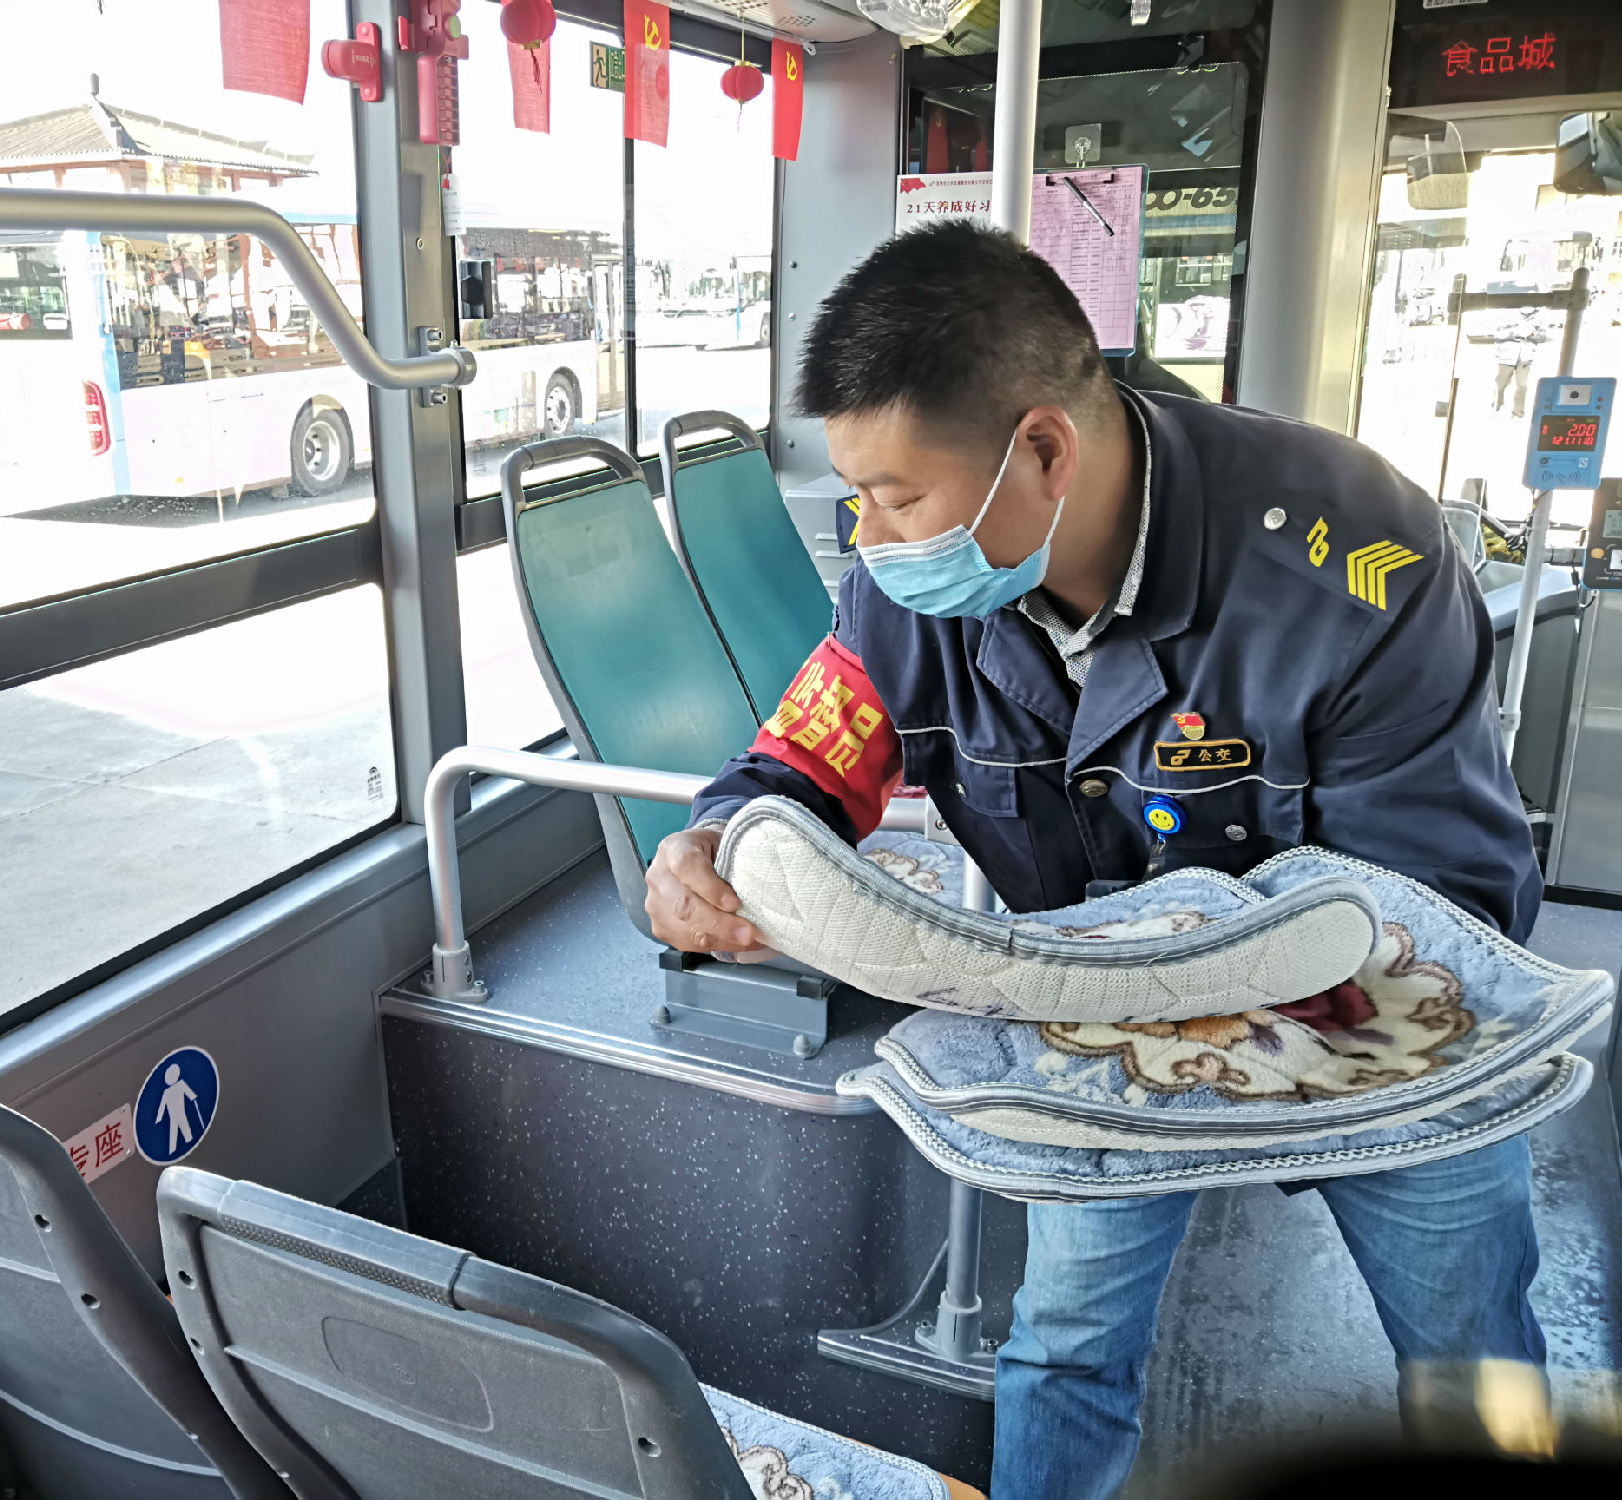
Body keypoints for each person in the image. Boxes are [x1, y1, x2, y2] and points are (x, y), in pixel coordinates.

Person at [644, 221, 1546, 1500]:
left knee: (1471, 1351)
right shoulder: (907, 591)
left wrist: (1167, 975)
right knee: (1064, 1343)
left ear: (1042, 451)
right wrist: (717, 835)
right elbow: (806, 756)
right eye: (857, 497)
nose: (870, 535)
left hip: (1395, 1026)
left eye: (897, 497)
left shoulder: (1353, 559)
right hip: (1104, 1038)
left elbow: (1430, 898)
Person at [1493, 305, 1546, 418]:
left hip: (1525, 357)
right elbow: (1498, 333)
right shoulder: (1507, 313)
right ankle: (1496, 405)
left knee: (1522, 385)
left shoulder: (1539, 316)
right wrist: (1516, 332)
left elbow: (1543, 336)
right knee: (1500, 383)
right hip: (1507, 355)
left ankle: (1518, 413)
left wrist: (1532, 335)